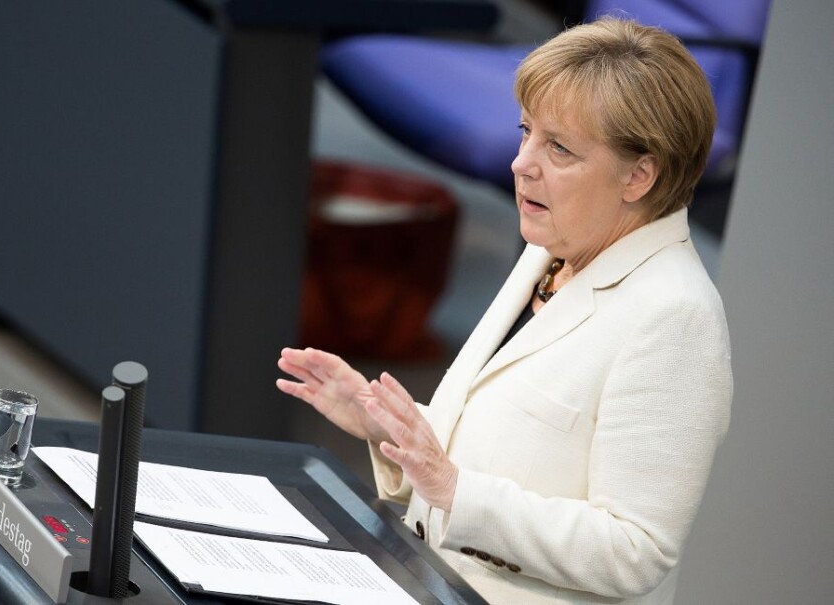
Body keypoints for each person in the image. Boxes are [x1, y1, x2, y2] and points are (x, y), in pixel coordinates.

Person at [276, 17, 731, 605]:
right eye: (526, 133)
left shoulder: (676, 319)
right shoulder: (552, 245)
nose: (521, 164)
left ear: (639, 175)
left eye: (559, 148)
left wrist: (453, 490)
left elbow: (635, 550)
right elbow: (515, 445)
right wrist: (387, 424)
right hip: (426, 578)